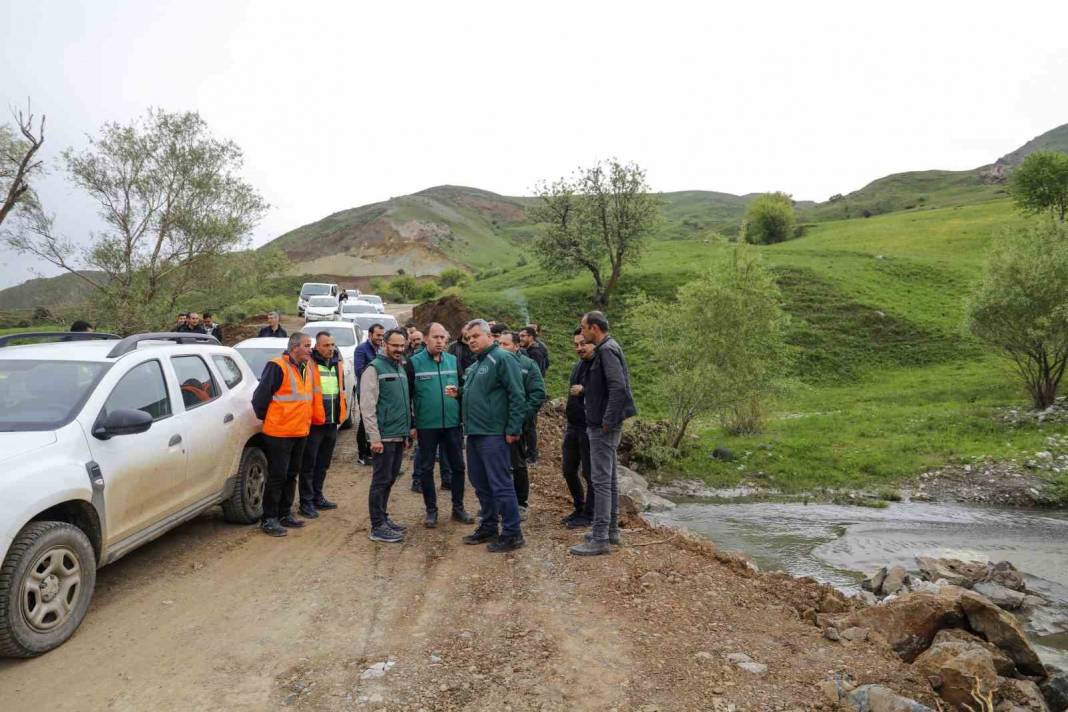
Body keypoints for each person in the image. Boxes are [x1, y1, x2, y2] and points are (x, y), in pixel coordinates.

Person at [570, 311, 637, 556]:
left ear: (594, 328)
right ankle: (610, 531)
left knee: (599, 479)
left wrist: (607, 420)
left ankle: (600, 538)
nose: (582, 332)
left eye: (583, 328)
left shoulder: (607, 350)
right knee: (608, 478)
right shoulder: (607, 347)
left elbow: (618, 387)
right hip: (601, 422)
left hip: (603, 426)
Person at [459, 319, 527, 552]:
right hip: (475, 432)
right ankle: (489, 526)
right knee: (480, 483)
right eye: (468, 339)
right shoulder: (476, 364)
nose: (471, 341)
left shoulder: (502, 358)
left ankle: (512, 533)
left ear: (490, 336)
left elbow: (517, 394)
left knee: (500, 484)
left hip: (494, 433)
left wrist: (513, 428)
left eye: (476, 336)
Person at [408, 323, 474, 528]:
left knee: (458, 467)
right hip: (427, 425)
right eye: (435, 337)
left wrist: (463, 415)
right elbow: (407, 396)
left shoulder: (453, 361)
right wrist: (412, 424)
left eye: (442, 338)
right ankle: (431, 511)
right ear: (426, 338)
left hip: (452, 424)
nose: (439, 341)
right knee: (427, 468)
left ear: (447, 340)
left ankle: (458, 508)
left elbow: (463, 388)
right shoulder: (413, 363)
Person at [251, 332, 314, 537]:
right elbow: (260, 399)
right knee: (277, 476)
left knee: (291, 474)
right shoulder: (277, 366)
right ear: (294, 347)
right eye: (307, 345)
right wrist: (272, 419)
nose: (309, 349)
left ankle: (285, 513)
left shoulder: (303, 367)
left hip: (299, 431)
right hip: (279, 433)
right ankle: (269, 518)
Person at [360, 328, 412, 544]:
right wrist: (374, 438)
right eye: (395, 345)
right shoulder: (374, 369)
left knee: (389, 479)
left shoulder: (400, 367)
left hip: (397, 435)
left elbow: (403, 403)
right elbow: (367, 407)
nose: (399, 349)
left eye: (402, 345)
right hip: (383, 437)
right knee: (380, 481)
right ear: (385, 345)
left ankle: (383, 518)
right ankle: (377, 526)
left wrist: (406, 432)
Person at [298, 331, 347, 518]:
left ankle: (318, 496)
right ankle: (306, 502)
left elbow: (339, 390)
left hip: (331, 421)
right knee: (308, 465)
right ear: (316, 347)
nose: (331, 349)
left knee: (323, 463)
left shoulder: (337, 364)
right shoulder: (308, 365)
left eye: (332, 345)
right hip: (314, 423)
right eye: (326, 345)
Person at [498, 331, 545, 521]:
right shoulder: (495, 364)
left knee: (517, 464)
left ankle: (521, 503)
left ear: (517, 346)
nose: (501, 347)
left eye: (505, 344)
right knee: (497, 465)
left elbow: (538, 394)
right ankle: (499, 503)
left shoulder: (527, 365)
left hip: (517, 425)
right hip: (496, 424)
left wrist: (519, 417)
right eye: (498, 343)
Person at [562, 328, 595, 528]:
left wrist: (585, 390)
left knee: (590, 473)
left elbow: (609, 390)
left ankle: (589, 514)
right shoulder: (579, 365)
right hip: (573, 425)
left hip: (589, 426)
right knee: (568, 469)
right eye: (576, 345)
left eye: (583, 343)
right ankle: (579, 507)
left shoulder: (599, 364)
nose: (579, 348)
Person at [354, 322, 385, 466]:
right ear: (370, 335)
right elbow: (359, 371)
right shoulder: (361, 350)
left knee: (374, 420)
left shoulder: (382, 349)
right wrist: (375, 371)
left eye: (382, 335)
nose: (380, 338)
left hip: (380, 391)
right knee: (364, 421)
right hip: (365, 391)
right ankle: (362, 454)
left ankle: (371, 450)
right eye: (378, 335)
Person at [517, 326, 548, 464]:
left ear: (531, 337)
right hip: (526, 392)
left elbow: (538, 373)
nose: (521, 338)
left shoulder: (536, 352)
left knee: (529, 426)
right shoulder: (530, 350)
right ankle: (526, 452)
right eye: (520, 336)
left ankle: (532, 455)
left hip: (530, 394)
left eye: (523, 336)